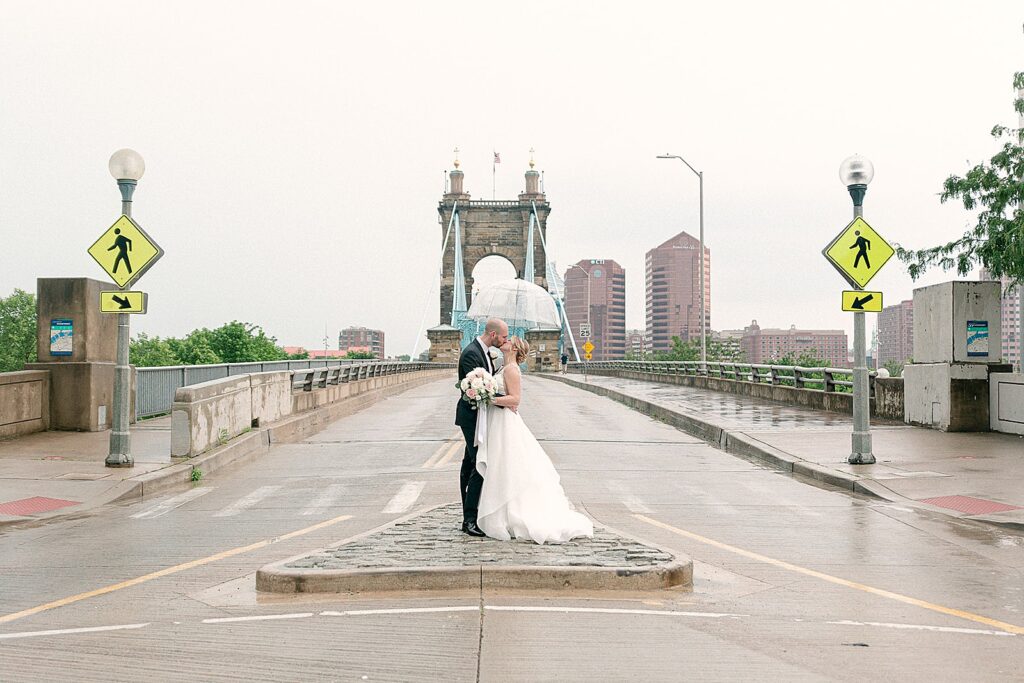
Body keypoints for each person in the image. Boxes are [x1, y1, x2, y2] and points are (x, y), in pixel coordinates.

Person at [476, 336, 594, 544]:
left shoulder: (511, 369)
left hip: (505, 421)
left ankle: (510, 515)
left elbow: (515, 399)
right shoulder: (504, 366)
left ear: (514, 347)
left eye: (508, 339)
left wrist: (487, 398)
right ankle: (504, 511)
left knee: (507, 465)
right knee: (505, 466)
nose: (504, 340)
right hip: (500, 420)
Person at [454, 317, 508, 537]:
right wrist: (506, 400)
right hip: (472, 417)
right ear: (493, 335)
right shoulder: (471, 353)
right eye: (503, 336)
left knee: (469, 463)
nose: (505, 340)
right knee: (479, 464)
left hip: (481, 417)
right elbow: (472, 391)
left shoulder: (485, 353)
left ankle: (468, 512)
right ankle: (469, 520)